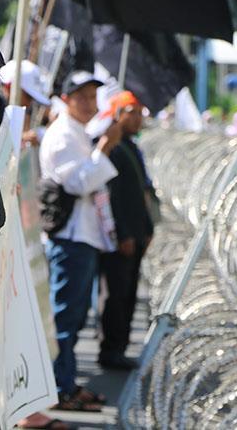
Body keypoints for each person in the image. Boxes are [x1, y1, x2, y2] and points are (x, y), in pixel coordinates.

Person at [39, 71, 122, 411]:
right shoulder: (61, 135)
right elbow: (77, 183)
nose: (90, 103)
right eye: (83, 97)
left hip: (83, 236)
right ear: (67, 98)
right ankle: (60, 388)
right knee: (66, 315)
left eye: (93, 97)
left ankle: (68, 384)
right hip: (71, 237)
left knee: (75, 314)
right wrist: (105, 148)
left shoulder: (76, 132)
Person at [97, 91, 153, 370]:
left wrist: (147, 228)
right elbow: (112, 196)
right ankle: (110, 349)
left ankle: (121, 346)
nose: (138, 117)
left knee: (129, 292)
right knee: (116, 294)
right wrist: (122, 234)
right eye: (131, 111)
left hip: (137, 232)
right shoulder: (114, 149)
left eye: (140, 112)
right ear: (117, 115)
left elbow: (141, 191)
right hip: (122, 236)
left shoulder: (132, 148)